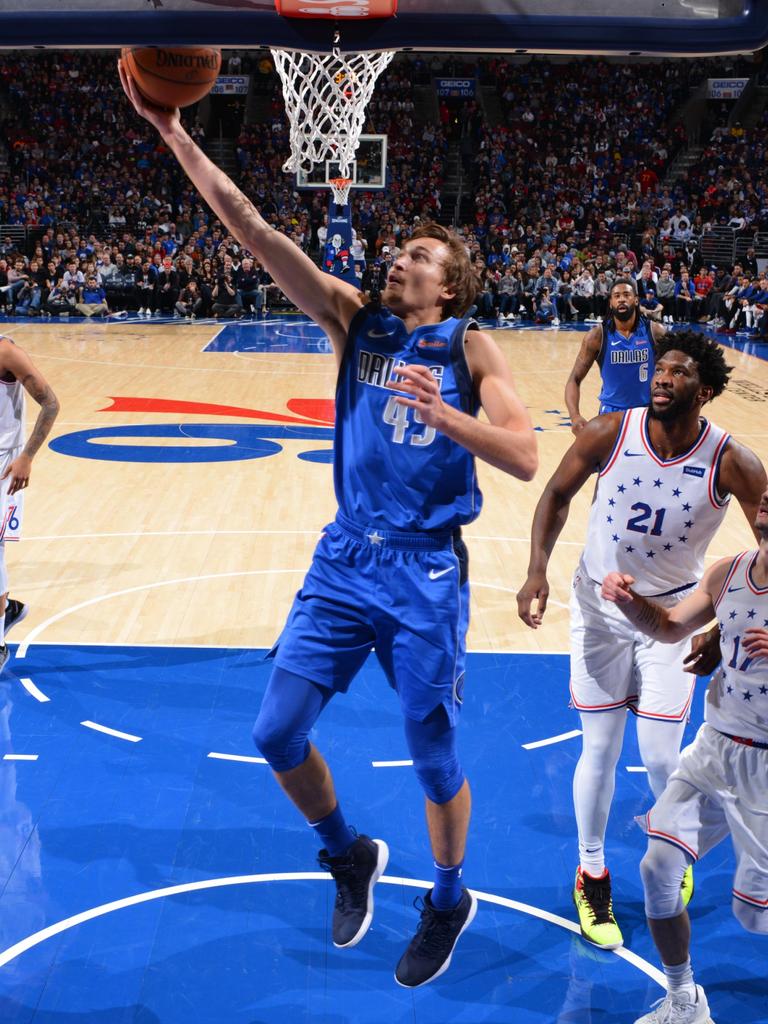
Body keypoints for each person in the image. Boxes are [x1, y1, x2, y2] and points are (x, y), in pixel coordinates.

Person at [120, 60, 538, 987]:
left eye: (420, 258)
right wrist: (174, 133)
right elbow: (256, 229)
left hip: (427, 570)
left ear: (451, 283)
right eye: (399, 252)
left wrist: (450, 418)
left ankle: (448, 896)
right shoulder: (354, 322)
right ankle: (347, 852)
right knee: (276, 729)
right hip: (347, 559)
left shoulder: (471, 348)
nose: (398, 259)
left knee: (433, 757)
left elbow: (523, 454)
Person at [517, 331, 766, 951]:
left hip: (671, 617)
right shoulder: (610, 431)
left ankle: (670, 857)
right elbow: (555, 495)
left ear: (703, 392)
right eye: (660, 369)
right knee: (598, 749)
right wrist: (536, 570)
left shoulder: (733, 461)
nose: (660, 378)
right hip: (600, 609)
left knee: (661, 757)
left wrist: (718, 624)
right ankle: (593, 872)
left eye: (677, 373)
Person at [601, 488, 768, 1023]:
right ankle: (684, 1001)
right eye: (766, 497)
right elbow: (671, 628)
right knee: (657, 868)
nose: (764, 499)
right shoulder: (729, 573)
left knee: (753, 915)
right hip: (715, 749)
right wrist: (631, 604)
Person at [0, 334, 60, 669]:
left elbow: (50, 403)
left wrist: (27, 456)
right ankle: (6, 609)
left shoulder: (6, 352)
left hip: (5, 464)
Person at [565, 278, 666, 435]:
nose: (622, 299)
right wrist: (575, 417)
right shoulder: (597, 336)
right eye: (617, 296)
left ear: (636, 300)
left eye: (627, 294)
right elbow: (574, 380)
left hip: (648, 411)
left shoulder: (655, 331)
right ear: (611, 302)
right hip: (610, 413)